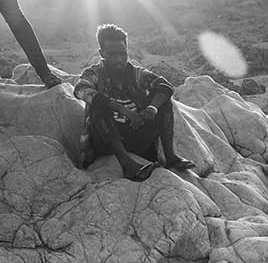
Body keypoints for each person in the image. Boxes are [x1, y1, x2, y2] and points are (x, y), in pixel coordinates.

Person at [74, 24, 195, 182]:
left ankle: (170, 156)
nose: (119, 59)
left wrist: (151, 109)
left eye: (123, 54)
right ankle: (127, 165)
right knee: (98, 105)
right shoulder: (94, 73)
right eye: (112, 54)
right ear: (101, 53)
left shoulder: (136, 73)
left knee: (163, 101)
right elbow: (80, 89)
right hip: (107, 142)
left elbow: (165, 86)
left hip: (136, 134)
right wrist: (122, 109)